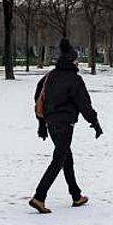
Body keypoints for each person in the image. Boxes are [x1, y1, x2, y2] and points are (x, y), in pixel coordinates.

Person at [29, 38, 103, 214]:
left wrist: (42, 124)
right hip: (65, 124)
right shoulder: (74, 80)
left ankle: (76, 195)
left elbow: (38, 99)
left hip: (51, 122)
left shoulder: (49, 77)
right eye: (76, 59)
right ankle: (39, 197)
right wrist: (95, 122)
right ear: (72, 61)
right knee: (59, 159)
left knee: (66, 157)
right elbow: (84, 104)